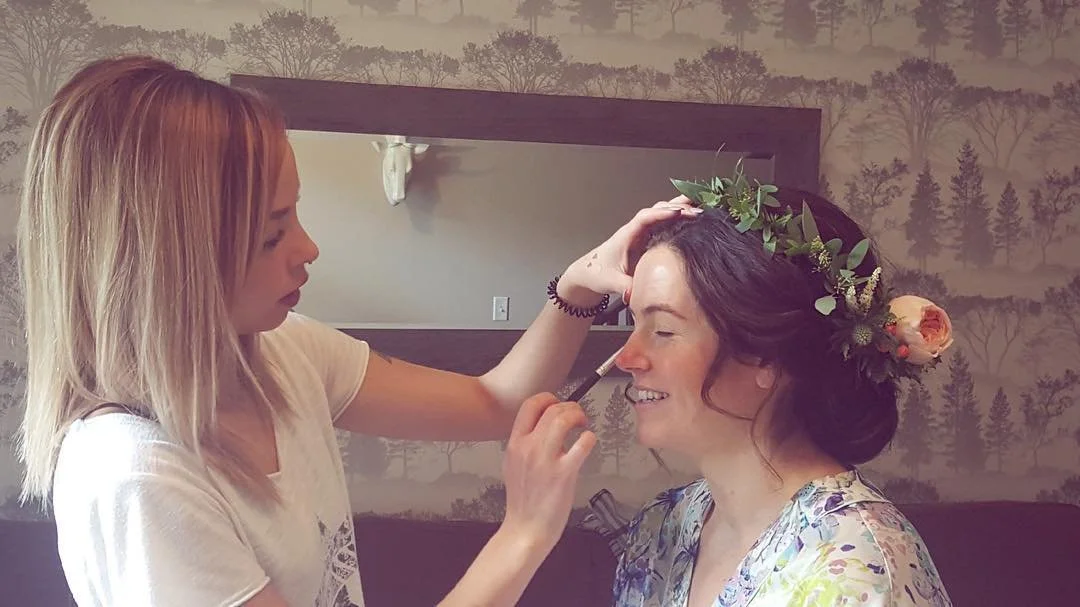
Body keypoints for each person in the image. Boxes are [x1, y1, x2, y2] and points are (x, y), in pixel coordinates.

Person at [14, 55, 701, 607]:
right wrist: (524, 532)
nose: (308, 248)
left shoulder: (282, 354)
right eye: (271, 233)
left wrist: (580, 281)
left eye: (297, 214)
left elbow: (496, 400)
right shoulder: (136, 478)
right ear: (172, 263)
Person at [609, 174, 954, 606]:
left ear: (766, 354)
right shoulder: (662, 527)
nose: (627, 357)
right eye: (633, 323)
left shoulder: (856, 571)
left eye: (662, 329)